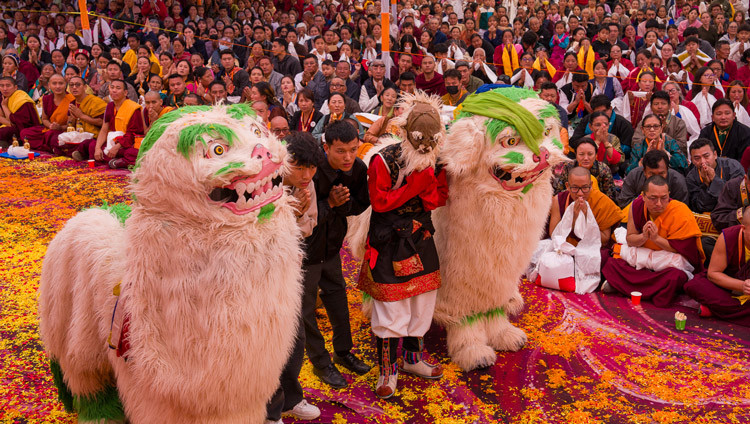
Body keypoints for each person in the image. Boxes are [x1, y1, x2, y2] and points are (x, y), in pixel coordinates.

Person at [358, 95, 448, 399]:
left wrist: (431, 183)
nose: (425, 149)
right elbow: (380, 203)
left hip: (420, 236)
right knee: (391, 306)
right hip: (389, 239)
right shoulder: (382, 160)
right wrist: (416, 187)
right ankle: (388, 369)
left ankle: (412, 359)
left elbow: (435, 200)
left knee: (421, 300)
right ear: (405, 133)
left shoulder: (433, 157)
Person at [304, 120, 371, 389]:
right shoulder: (311, 169)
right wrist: (328, 203)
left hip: (331, 249)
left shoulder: (357, 169)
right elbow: (298, 211)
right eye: (341, 151)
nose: (348, 157)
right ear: (326, 147)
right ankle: (321, 362)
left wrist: (342, 205)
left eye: (353, 150)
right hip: (305, 253)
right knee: (306, 312)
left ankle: (343, 353)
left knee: (338, 301)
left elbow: (360, 204)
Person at [265, 131, 322, 423]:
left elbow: (309, 227)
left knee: (294, 340)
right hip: (262, 277)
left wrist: (298, 215)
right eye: (300, 167)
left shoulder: (307, 187)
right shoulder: (264, 186)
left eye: (311, 168)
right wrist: (289, 213)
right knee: (267, 345)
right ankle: (269, 411)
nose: (306, 174)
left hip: (290, 274)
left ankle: (290, 399)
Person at [602, 175, 705, 307]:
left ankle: (622, 286)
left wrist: (656, 239)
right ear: (643, 196)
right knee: (612, 263)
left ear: (669, 195)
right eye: (653, 198)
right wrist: (644, 237)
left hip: (666, 264)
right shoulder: (636, 205)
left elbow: (684, 250)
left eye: (663, 198)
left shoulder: (680, 211)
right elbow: (631, 239)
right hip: (642, 261)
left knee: (675, 277)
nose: (658, 203)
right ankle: (650, 291)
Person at [685, 207, 750, 326]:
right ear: (743, 229)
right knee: (694, 285)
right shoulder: (728, 236)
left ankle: (714, 310)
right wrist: (742, 286)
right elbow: (713, 274)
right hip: (728, 286)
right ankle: (738, 313)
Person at [549, 166, 624, 251]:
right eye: (575, 188)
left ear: (591, 185)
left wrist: (586, 219)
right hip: (564, 249)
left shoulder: (602, 201)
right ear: (567, 186)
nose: (580, 193)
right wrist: (573, 220)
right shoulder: (559, 200)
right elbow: (554, 234)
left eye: (585, 188)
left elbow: (604, 240)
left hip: (592, 250)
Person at [74, 79, 144, 169]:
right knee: (91, 144)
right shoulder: (110, 106)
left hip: (126, 145)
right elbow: (104, 129)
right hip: (112, 142)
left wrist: (117, 146)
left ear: (125, 92)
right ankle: (116, 162)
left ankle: (116, 161)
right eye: (112, 87)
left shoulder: (133, 108)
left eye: (118, 88)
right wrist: (97, 148)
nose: (114, 90)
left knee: (133, 153)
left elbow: (133, 134)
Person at [686, 138, 745, 213]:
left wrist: (714, 179)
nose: (702, 162)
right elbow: (699, 207)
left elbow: (736, 197)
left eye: (706, 156)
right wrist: (706, 184)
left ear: (715, 155)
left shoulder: (733, 166)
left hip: (733, 212)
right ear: (692, 160)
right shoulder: (691, 177)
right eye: (697, 158)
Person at [19, 74, 73, 152]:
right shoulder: (46, 98)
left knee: (52, 136)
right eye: (54, 83)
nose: (58, 86)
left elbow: (72, 124)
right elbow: (44, 119)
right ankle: (50, 147)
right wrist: (50, 126)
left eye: (61, 83)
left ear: (65, 85)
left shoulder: (72, 99)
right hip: (49, 129)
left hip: (64, 131)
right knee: (24, 133)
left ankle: (49, 146)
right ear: (49, 85)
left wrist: (60, 128)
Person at [617, 149, 689, 208]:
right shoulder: (634, 175)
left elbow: (682, 208)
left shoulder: (678, 181)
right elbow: (623, 202)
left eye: (661, 173)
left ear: (667, 170)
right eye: (652, 174)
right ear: (644, 171)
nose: (657, 178)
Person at [632, 91, 688, 155]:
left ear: (669, 106)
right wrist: (652, 141)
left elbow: (682, 146)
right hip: (647, 156)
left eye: (663, 104)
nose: (660, 107)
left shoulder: (678, 123)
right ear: (651, 107)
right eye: (656, 104)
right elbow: (635, 142)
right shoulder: (644, 122)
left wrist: (662, 135)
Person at [64, 76, 106, 157]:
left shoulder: (95, 102)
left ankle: (80, 152)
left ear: (85, 87)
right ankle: (78, 152)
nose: (74, 87)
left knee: (88, 144)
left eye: (77, 85)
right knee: (55, 137)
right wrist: (72, 119)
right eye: (71, 85)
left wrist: (81, 116)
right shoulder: (73, 103)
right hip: (78, 135)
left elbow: (102, 122)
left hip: (94, 136)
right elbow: (70, 125)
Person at [699, 99, 750, 164]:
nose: (723, 117)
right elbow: (700, 153)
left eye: (727, 113)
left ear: (734, 115)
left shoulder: (745, 132)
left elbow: (744, 159)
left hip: (737, 170)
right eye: (719, 114)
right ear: (713, 118)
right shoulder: (706, 132)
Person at [0, 76, 40, 149]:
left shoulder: (22, 99)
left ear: (15, 87)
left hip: (24, 129)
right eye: (2, 86)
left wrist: (4, 106)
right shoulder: (3, 97)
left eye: (8, 86)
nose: (5, 89)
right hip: (11, 125)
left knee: (3, 132)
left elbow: (18, 124)